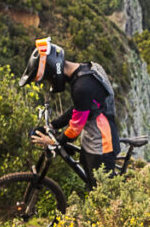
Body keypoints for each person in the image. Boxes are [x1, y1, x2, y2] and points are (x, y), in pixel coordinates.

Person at [24, 38, 118, 167]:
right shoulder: (88, 69)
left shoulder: (81, 87)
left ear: (53, 71)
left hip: (100, 145)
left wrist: (53, 142)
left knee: (98, 181)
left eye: (48, 79)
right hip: (96, 137)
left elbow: (75, 129)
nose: (51, 83)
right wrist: (54, 125)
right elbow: (81, 107)